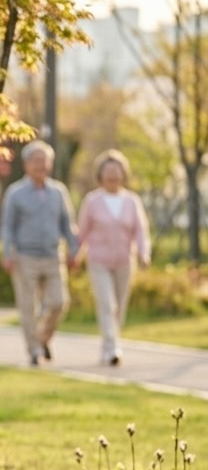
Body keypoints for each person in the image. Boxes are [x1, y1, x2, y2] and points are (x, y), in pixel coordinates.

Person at [0, 139, 78, 366]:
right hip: (25, 256)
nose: (40, 165)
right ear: (26, 165)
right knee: (27, 306)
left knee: (59, 302)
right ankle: (33, 350)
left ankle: (42, 338)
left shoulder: (58, 192)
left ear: (50, 165)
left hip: (53, 255)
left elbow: (67, 223)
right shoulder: (15, 193)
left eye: (44, 161)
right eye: (35, 161)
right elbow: (7, 226)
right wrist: (6, 253)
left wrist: (74, 249)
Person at [75, 149, 151, 366]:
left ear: (123, 175)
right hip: (99, 260)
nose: (112, 176)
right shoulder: (92, 200)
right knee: (107, 304)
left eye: (116, 172)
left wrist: (144, 254)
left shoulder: (131, 201)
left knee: (119, 307)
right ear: (100, 175)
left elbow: (140, 231)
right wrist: (74, 255)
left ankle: (109, 344)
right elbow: (83, 232)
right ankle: (112, 348)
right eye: (108, 172)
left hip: (125, 261)